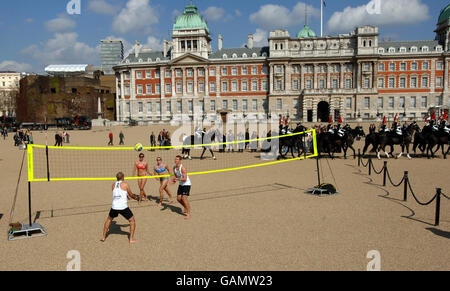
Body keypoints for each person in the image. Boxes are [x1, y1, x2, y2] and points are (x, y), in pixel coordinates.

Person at [101, 172, 137, 244]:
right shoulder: (125, 184)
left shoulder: (113, 185)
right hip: (123, 207)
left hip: (114, 207)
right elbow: (131, 194)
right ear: (123, 177)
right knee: (132, 221)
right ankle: (131, 239)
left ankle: (103, 237)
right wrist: (136, 198)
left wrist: (126, 196)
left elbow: (118, 193)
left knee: (109, 220)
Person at [171, 155, 192, 220]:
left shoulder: (183, 168)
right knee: (178, 199)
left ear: (180, 160)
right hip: (181, 184)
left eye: (177, 159)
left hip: (186, 184)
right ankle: (185, 207)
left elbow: (185, 179)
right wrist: (173, 181)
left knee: (184, 198)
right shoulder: (174, 167)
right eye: (175, 159)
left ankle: (189, 214)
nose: (175, 160)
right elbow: (175, 176)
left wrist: (176, 179)